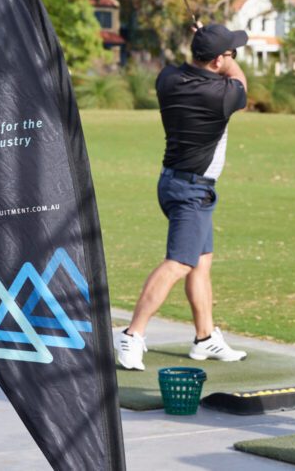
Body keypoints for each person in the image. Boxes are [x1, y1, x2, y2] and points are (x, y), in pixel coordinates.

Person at [115, 23, 250, 370]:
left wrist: (209, 43)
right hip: (191, 191)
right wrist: (222, 54)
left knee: (201, 261)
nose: (233, 57)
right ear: (218, 61)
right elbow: (240, 82)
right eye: (231, 53)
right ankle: (132, 334)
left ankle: (204, 338)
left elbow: (202, 67)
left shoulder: (168, 79)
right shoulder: (221, 95)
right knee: (179, 263)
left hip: (174, 183)